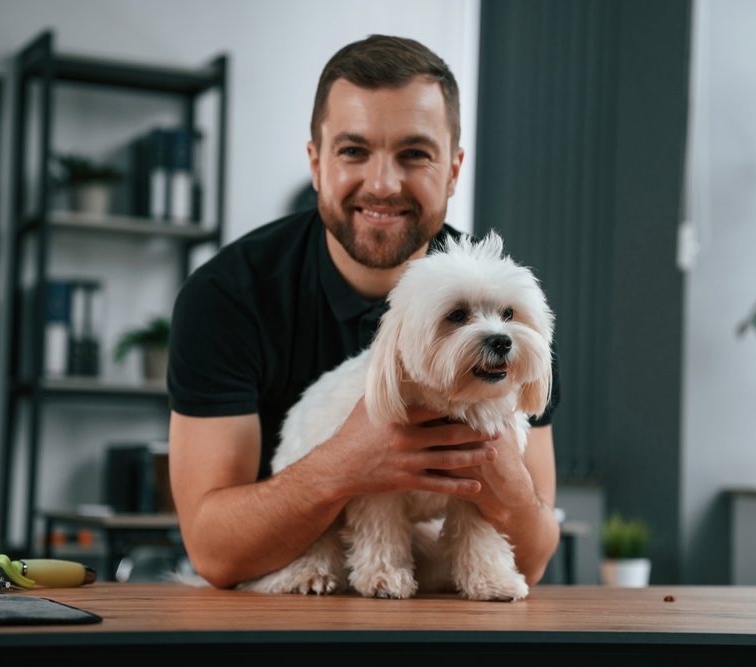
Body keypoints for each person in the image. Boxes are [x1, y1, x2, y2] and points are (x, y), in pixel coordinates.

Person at [167, 35, 561, 590]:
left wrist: (498, 469)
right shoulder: (225, 297)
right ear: (316, 162)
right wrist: (345, 464)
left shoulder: (507, 308)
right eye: (354, 151)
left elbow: (535, 559)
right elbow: (214, 553)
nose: (382, 184)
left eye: (414, 154)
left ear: (453, 169)